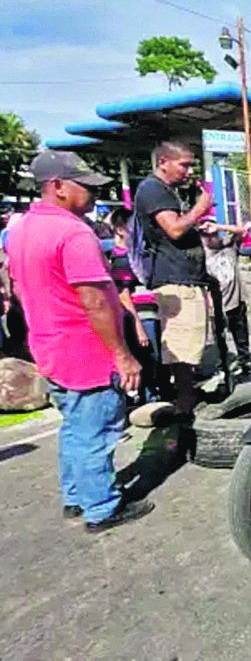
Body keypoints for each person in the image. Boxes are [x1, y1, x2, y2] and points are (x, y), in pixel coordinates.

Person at [7, 151, 153, 531]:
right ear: (57, 187)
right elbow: (93, 300)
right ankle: (101, 507)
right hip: (85, 352)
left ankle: (77, 496)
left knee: (73, 427)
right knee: (96, 431)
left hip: (49, 345)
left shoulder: (21, 229)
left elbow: (21, 290)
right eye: (84, 186)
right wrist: (122, 355)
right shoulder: (73, 233)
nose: (92, 194)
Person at [133, 141, 213, 420]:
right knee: (181, 344)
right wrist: (199, 209)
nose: (189, 171)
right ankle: (184, 404)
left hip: (187, 278)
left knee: (191, 341)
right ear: (164, 162)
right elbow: (174, 229)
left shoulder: (167, 192)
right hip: (175, 280)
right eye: (184, 165)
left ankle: (186, 396)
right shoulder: (153, 189)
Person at [109, 207, 161, 404]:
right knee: (148, 358)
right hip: (140, 315)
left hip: (153, 311)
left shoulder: (138, 255)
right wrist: (138, 325)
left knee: (156, 359)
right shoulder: (120, 259)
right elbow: (123, 294)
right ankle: (149, 398)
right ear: (121, 230)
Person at [200, 217, 251, 383]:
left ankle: (246, 365)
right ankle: (224, 370)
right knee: (220, 340)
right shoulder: (201, 253)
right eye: (206, 234)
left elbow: (242, 231)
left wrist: (217, 225)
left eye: (213, 233)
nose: (210, 237)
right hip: (216, 306)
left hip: (235, 301)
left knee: (241, 338)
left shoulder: (229, 246)